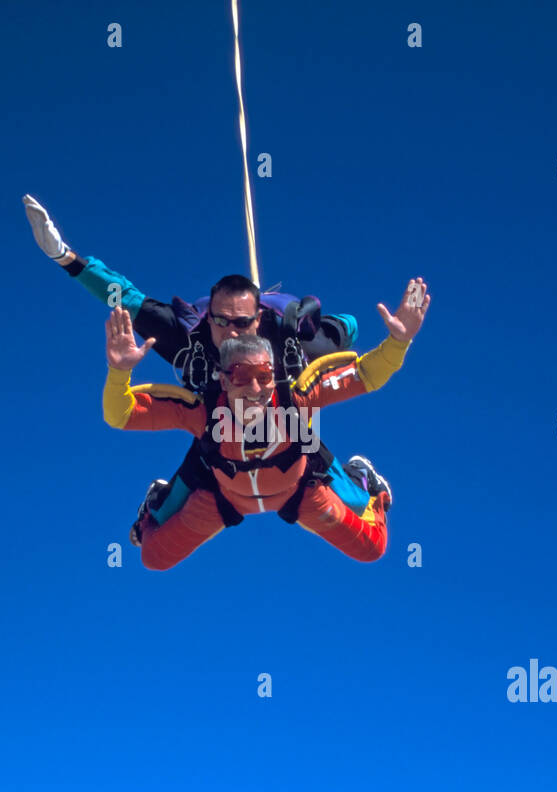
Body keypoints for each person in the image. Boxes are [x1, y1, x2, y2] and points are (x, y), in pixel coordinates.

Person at [23, 194, 391, 538]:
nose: (232, 333)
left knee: (357, 503)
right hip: (217, 433)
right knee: (162, 519)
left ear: (259, 320)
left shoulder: (286, 336)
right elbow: (125, 297)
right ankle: (158, 498)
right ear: (209, 319)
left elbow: (350, 349)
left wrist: (385, 339)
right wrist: (67, 259)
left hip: (292, 431)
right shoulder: (187, 339)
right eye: (222, 322)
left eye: (242, 323)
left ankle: (360, 476)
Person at [101, 275, 429, 569]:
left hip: (299, 490)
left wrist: (399, 342)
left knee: (372, 548)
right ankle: (156, 502)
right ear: (225, 380)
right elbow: (121, 415)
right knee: (153, 557)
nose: (255, 388)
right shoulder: (203, 413)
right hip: (225, 496)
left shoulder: (297, 398)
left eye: (264, 375)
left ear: (275, 378)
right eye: (242, 376)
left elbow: (367, 373)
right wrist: (119, 372)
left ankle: (367, 483)